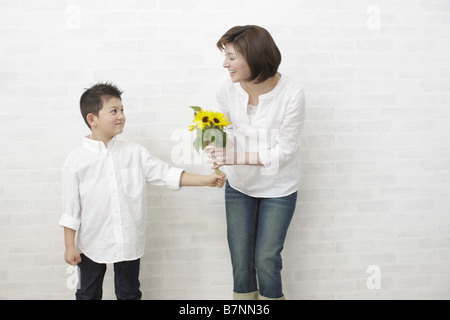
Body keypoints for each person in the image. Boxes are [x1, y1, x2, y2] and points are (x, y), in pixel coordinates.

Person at [60, 82, 226, 300]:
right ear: (92, 119)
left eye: (122, 110)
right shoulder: (76, 160)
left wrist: (206, 180)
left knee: (129, 293)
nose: (121, 116)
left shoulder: (135, 153)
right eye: (113, 111)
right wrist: (69, 245)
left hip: (129, 240)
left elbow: (166, 173)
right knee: (87, 293)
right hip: (92, 242)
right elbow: (71, 208)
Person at [207, 25, 305, 300]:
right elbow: (225, 129)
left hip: (279, 188)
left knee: (266, 260)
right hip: (239, 186)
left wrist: (235, 157)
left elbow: (285, 151)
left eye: (232, 57)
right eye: (225, 56)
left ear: (255, 57)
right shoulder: (226, 87)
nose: (225, 64)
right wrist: (216, 142)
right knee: (240, 262)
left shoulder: (291, 94)